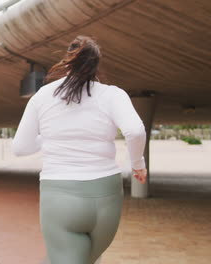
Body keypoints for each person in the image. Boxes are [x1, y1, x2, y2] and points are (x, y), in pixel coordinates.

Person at [11, 35, 147, 264]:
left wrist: (48, 138)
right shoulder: (113, 94)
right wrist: (138, 165)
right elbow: (135, 131)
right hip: (107, 196)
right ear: (96, 64)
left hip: (60, 196)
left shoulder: (42, 96)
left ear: (67, 61)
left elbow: (20, 147)